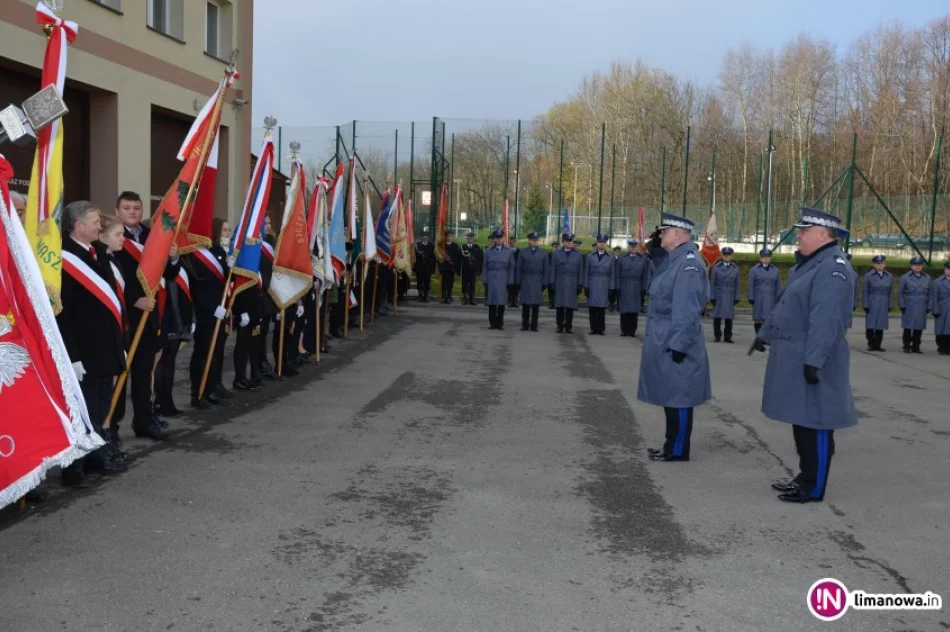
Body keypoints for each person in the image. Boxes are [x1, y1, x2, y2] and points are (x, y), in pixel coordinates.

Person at [751, 208, 857, 503]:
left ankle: (814, 486)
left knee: (818, 423)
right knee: (802, 420)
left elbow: (826, 320)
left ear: (823, 234)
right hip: (797, 353)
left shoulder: (832, 268)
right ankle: (804, 477)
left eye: (804, 230)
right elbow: (788, 305)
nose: (798, 235)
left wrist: (815, 360)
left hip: (815, 356)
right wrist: (766, 334)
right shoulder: (810, 265)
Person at [57, 201, 128, 486]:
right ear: (77, 225)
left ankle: (95, 458)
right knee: (80, 409)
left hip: (105, 346)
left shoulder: (98, 251)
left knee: (99, 406)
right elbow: (63, 313)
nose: (100, 226)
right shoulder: (63, 257)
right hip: (83, 351)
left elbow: (110, 300)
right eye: (95, 221)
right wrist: (72, 357)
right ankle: (73, 470)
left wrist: (117, 342)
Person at [638, 213, 711, 462]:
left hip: (675, 337)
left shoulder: (689, 263)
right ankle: (671, 445)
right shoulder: (675, 260)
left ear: (678, 234)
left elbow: (687, 309)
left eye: (664, 231)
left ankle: (678, 449)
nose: (660, 235)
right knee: (671, 393)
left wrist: (679, 343)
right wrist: (656, 253)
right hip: (664, 334)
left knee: (679, 395)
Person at [112, 191, 179, 441]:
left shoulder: (153, 236)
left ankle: (144, 421)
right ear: (117, 211)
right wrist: (132, 300)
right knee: (120, 373)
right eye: (127, 208)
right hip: (123, 316)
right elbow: (111, 277)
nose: (132, 212)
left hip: (149, 316)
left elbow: (168, 275)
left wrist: (173, 258)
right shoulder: (112, 237)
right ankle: (112, 428)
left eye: (137, 208)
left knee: (143, 372)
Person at [185, 218, 231, 408]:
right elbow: (196, 285)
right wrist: (210, 309)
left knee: (217, 350)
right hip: (203, 311)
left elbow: (226, 280)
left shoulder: (219, 250)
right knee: (202, 352)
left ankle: (212, 388)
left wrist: (231, 266)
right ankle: (198, 393)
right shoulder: (195, 253)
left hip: (220, 309)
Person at [613, 239, 648, 337]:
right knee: (624, 309)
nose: (633, 248)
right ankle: (624, 330)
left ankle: (632, 331)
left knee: (634, 309)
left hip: (637, 286)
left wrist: (644, 287)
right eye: (631, 246)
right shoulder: (621, 258)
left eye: (635, 246)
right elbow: (617, 273)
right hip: (624, 285)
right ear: (628, 247)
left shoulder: (643, 259)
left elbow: (645, 274)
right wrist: (617, 286)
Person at [552, 233, 584, 334]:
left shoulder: (578, 254)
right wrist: (552, 282)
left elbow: (581, 271)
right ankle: (560, 325)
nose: (569, 242)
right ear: (563, 242)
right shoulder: (556, 254)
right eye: (567, 241)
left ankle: (569, 326)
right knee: (560, 305)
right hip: (560, 281)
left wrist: (580, 284)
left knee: (570, 305)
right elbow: (553, 269)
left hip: (572, 281)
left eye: (571, 241)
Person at [516, 232, 548, 331]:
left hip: (538, 280)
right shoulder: (523, 252)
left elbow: (546, 269)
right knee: (525, 304)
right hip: (526, 279)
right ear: (529, 241)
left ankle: (534, 326)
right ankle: (525, 325)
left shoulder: (543, 253)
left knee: (535, 305)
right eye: (533, 240)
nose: (535, 241)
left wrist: (545, 282)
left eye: (536, 240)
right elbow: (519, 268)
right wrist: (518, 281)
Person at [898, 256, 931, 354]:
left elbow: (930, 293)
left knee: (918, 327)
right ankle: (906, 345)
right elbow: (901, 292)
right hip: (909, 304)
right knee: (908, 327)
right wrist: (902, 305)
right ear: (911, 266)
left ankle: (916, 346)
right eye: (915, 265)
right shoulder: (905, 277)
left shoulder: (927, 278)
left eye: (919, 265)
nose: (917, 267)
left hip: (921, 304)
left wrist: (929, 306)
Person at [482, 229, 514, 329]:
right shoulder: (488, 251)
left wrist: (510, 280)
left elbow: (511, 267)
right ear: (494, 239)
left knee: (501, 302)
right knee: (491, 302)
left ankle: (499, 323)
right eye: (497, 238)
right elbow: (485, 267)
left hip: (503, 279)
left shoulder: (509, 251)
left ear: (504, 238)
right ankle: (492, 323)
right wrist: (485, 279)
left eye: (500, 238)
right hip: (491, 279)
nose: (499, 240)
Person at [709, 246, 740, 343]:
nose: (726, 257)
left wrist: (737, 297)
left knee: (728, 318)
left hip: (730, 294)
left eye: (728, 255)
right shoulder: (716, 268)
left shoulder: (735, 269)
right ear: (722, 256)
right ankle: (717, 336)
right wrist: (712, 296)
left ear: (731, 256)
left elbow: (738, 284)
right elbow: (712, 283)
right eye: (725, 255)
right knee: (717, 317)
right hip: (719, 294)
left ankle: (728, 336)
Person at [748, 248, 781, 335]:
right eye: (764, 257)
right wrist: (751, 297)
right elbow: (750, 284)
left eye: (767, 257)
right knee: (758, 318)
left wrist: (779, 298)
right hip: (758, 297)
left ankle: (765, 337)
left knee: (768, 319)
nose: (766, 259)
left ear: (770, 258)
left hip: (770, 298)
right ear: (760, 258)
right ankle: (758, 337)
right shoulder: (754, 270)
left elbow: (778, 286)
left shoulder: (775, 271)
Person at [863, 254, 892, 352]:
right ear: (874, 265)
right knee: (871, 325)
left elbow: (890, 292)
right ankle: (871, 343)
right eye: (878, 263)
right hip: (872, 301)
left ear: (885, 264)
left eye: (882, 263)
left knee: (880, 325)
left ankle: (878, 345)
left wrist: (890, 304)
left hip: (883, 301)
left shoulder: (889, 276)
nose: (880, 265)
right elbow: (865, 291)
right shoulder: (868, 276)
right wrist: (866, 304)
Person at [584, 234, 612, 335]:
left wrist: (611, 287)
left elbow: (612, 273)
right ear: (597, 243)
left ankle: (601, 329)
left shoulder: (610, 257)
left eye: (604, 242)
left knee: (601, 308)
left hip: (604, 283)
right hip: (592, 283)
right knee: (592, 308)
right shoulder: (590, 256)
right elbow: (586, 271)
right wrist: (586, 285)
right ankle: (593, 328)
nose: (602, 244)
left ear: (606, 244)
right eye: (600, 242)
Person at [930, 261, 950, 355]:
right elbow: (934, 297)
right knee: (941, 328)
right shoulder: (938, 282)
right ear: (945, 269)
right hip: (942, 308)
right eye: (948, 269)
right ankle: (941, 347)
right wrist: (935, 309)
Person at [459, 231, 482, 305]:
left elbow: (479, 259)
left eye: (471, 238)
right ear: (467, 238)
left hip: (473, 269)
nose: (470, 239)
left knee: (472, 284)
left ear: (473, 239)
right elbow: (459, 259)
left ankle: (472, 299)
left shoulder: (477, 247)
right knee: (465, 284)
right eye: (468, 238)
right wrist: (458, 269)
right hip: (465, 269)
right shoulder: (463, 247)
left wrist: (479, 269)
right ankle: (465, 298)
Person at [414, 229, 436, 302]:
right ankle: (420, 295)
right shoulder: (417, 245)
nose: (424, 237)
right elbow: (414, 257)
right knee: (419, 281)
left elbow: (433, 258)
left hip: (428, 267)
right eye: (423, 236)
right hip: (419, 267)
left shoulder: (431, 245)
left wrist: (433, 268)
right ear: (421, 237)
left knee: (427, 282)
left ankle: (426, 295)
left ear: (428, 237)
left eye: (426, 236)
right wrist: (414, 267)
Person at [441, 230, 461, 303]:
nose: (449, 238)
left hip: (451, 268)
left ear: (452, 237)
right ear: (445, 237)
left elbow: (457, 258)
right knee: (444, 282)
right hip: (444, 268)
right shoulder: (442, 245)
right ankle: (444, 296)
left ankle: (449, 295)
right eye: (447, 236)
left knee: (450, 283)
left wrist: (456, 268)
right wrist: (441, 267)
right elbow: (440, 257)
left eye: (450, 236)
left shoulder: (455, 246)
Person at [507, 237, 521, 308]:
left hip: (516, 271)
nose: (513, 243)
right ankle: (510, 301)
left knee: (516, 287)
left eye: (515, 241)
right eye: (512, 241)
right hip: (509, 271)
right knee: (510, 287)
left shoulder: (519, 251)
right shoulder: (507, 250)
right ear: (510, 242)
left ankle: (515, 302)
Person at [608, 245, 622, 312]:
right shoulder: (611, 258)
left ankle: (619, 306)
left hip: (619, 279)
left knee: (619, 294)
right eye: (616, 251)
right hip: (612, 279)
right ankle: (611, 306)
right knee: (612, 294)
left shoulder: (622, 259)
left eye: (619, 251)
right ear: (614, 252)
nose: (618, 252)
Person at [547, 240, 560, 309]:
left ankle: (556, 303)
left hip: (558, 275)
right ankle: (551, 303)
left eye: (557, 247)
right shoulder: (549, 254)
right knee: (550, 289)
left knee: (557, 289)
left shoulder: (560, 254)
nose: (556, 248)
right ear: (552, 247)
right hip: (550, 274)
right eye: (555, 247)